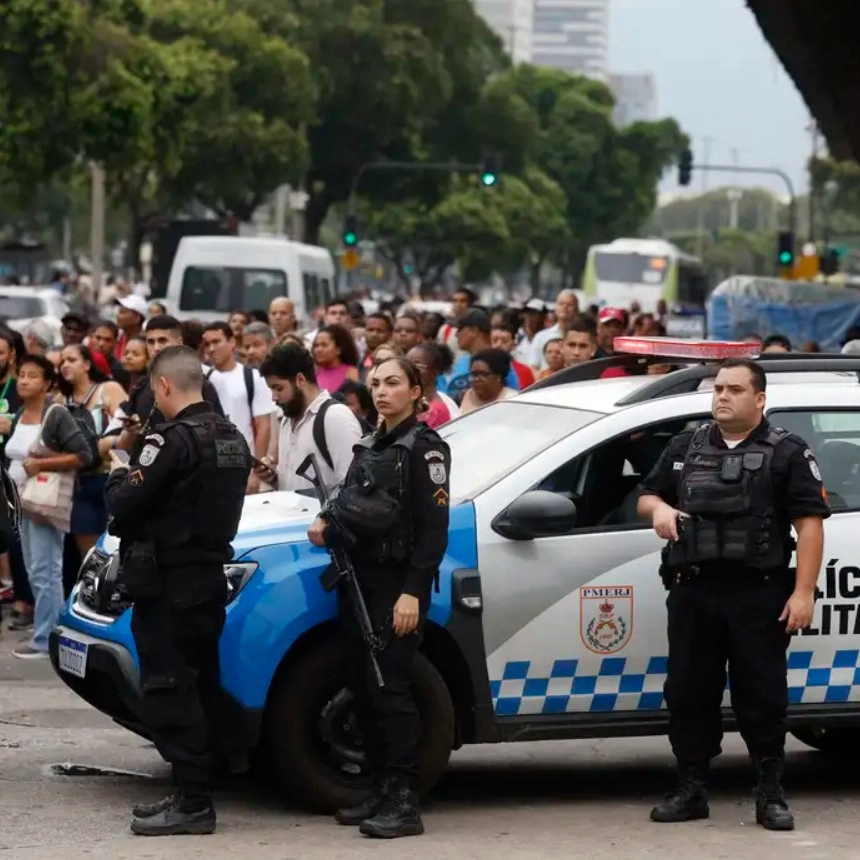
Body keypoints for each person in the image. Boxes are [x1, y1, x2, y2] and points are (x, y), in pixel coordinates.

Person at [637, 357, 829, 832]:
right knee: (687, 693)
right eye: (719, 388)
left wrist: (803, 593)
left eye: (735, 389)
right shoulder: (687, 445)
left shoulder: (787, 452)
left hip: (757, 594)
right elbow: (645, 495)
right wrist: (659, 509)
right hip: (693, 591)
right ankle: (692, 788)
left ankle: (770, 793)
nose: (722, 396)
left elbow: (809, 526)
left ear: (759, 399)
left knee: (761, 696)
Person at [105, 346, 251, 836]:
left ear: (164, 386)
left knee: (170, 688)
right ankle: (197, 787)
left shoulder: (169, 441)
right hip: (207, 578)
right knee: (199, 683)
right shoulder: (232, 436)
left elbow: (125, 504)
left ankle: (193, 801)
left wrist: (120, 473)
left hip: (169, 581)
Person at [307, 356, 450, 838]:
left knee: (392, 689)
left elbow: (433, 533)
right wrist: (327, 519)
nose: (382, 391)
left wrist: (412, 593)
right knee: (363, 687)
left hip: (395, 585)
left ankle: (405, 801)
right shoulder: (371, 444)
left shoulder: (424, 449)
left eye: (393, 383)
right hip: (358, 581)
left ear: (416, 390)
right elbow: (348, 495)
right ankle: (381, 789)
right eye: (375, 383)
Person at [6, 355, 94, 658]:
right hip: (21, 502)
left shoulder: (55, 414)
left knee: (46, 570)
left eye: (32, 376)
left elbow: (83, 454)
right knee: (35, 569)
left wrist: (41, 463)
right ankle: (47, 627)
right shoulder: (19, 415)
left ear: (47, 384)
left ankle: (48, 639)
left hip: (45, 502)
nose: (25, 380)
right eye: (22, 375)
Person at [256, 344, 362, 492]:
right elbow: (292, 486)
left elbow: (353, 487)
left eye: (278, 388)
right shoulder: (287, 420)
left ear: (300, 380)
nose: (273, 397)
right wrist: (273, 479)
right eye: (271, 389)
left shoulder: (336, 418)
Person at [118, 317, 224, 460]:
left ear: (179, 343)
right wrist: (130, 432)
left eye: (162, 340)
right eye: (150, 342)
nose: (156, 348)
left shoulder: (199, 384)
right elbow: (121, 446)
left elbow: (219, 434)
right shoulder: (140, 386)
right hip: (146, 472)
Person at [57, 344, 127, 557]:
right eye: (62, 361)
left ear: (87, 364)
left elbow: (131, 425)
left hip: (110, 478)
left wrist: (108, 443)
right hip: (78, 483)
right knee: (88, 557)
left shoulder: (109, 389)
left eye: (71, 359)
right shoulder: (61, 400)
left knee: (116, 551)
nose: (65, 365)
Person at [201, 322, 273, 467]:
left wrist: (257, 470)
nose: (212, 349)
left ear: (232, 342)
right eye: (207, 344)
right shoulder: (202, 379)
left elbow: (263, 426)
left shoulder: (252, 377)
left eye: (216, 342)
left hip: (245, 463)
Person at [445, 310, 519, 400]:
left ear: (474, 331)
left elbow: (512, 397)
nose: (456, 334)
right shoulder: (462, 361)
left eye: (460, 329)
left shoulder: (499, 360)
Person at [407, 342, 459, 428]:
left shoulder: (437, 411)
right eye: (407, 365)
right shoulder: (410, 402)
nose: (410, 370)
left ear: (435, 370)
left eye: (417, 365)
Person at [529, 290, 579, 370]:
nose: (565, 307)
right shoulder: (541, 337)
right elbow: (533, 368)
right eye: (561, 304)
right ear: (555, 307)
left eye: (569, 304)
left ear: (576, 310)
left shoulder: (581, 338)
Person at [461, 349, 517, 414]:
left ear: (498, 377)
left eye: (483, 374)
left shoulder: (513, 400)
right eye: (474, 374)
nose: (477, 379)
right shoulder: (462, 397)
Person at [312, 324, 360, 393]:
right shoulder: (314, 375)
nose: (319, 350)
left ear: (338, 349)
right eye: (316, 345)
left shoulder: (350, 373)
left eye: (324, 345)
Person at [114, 295, 148, 359]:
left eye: (122, 312)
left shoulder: (147, 343)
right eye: (118, 312)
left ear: (137, 318)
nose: (117, 316)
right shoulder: (117, 337)